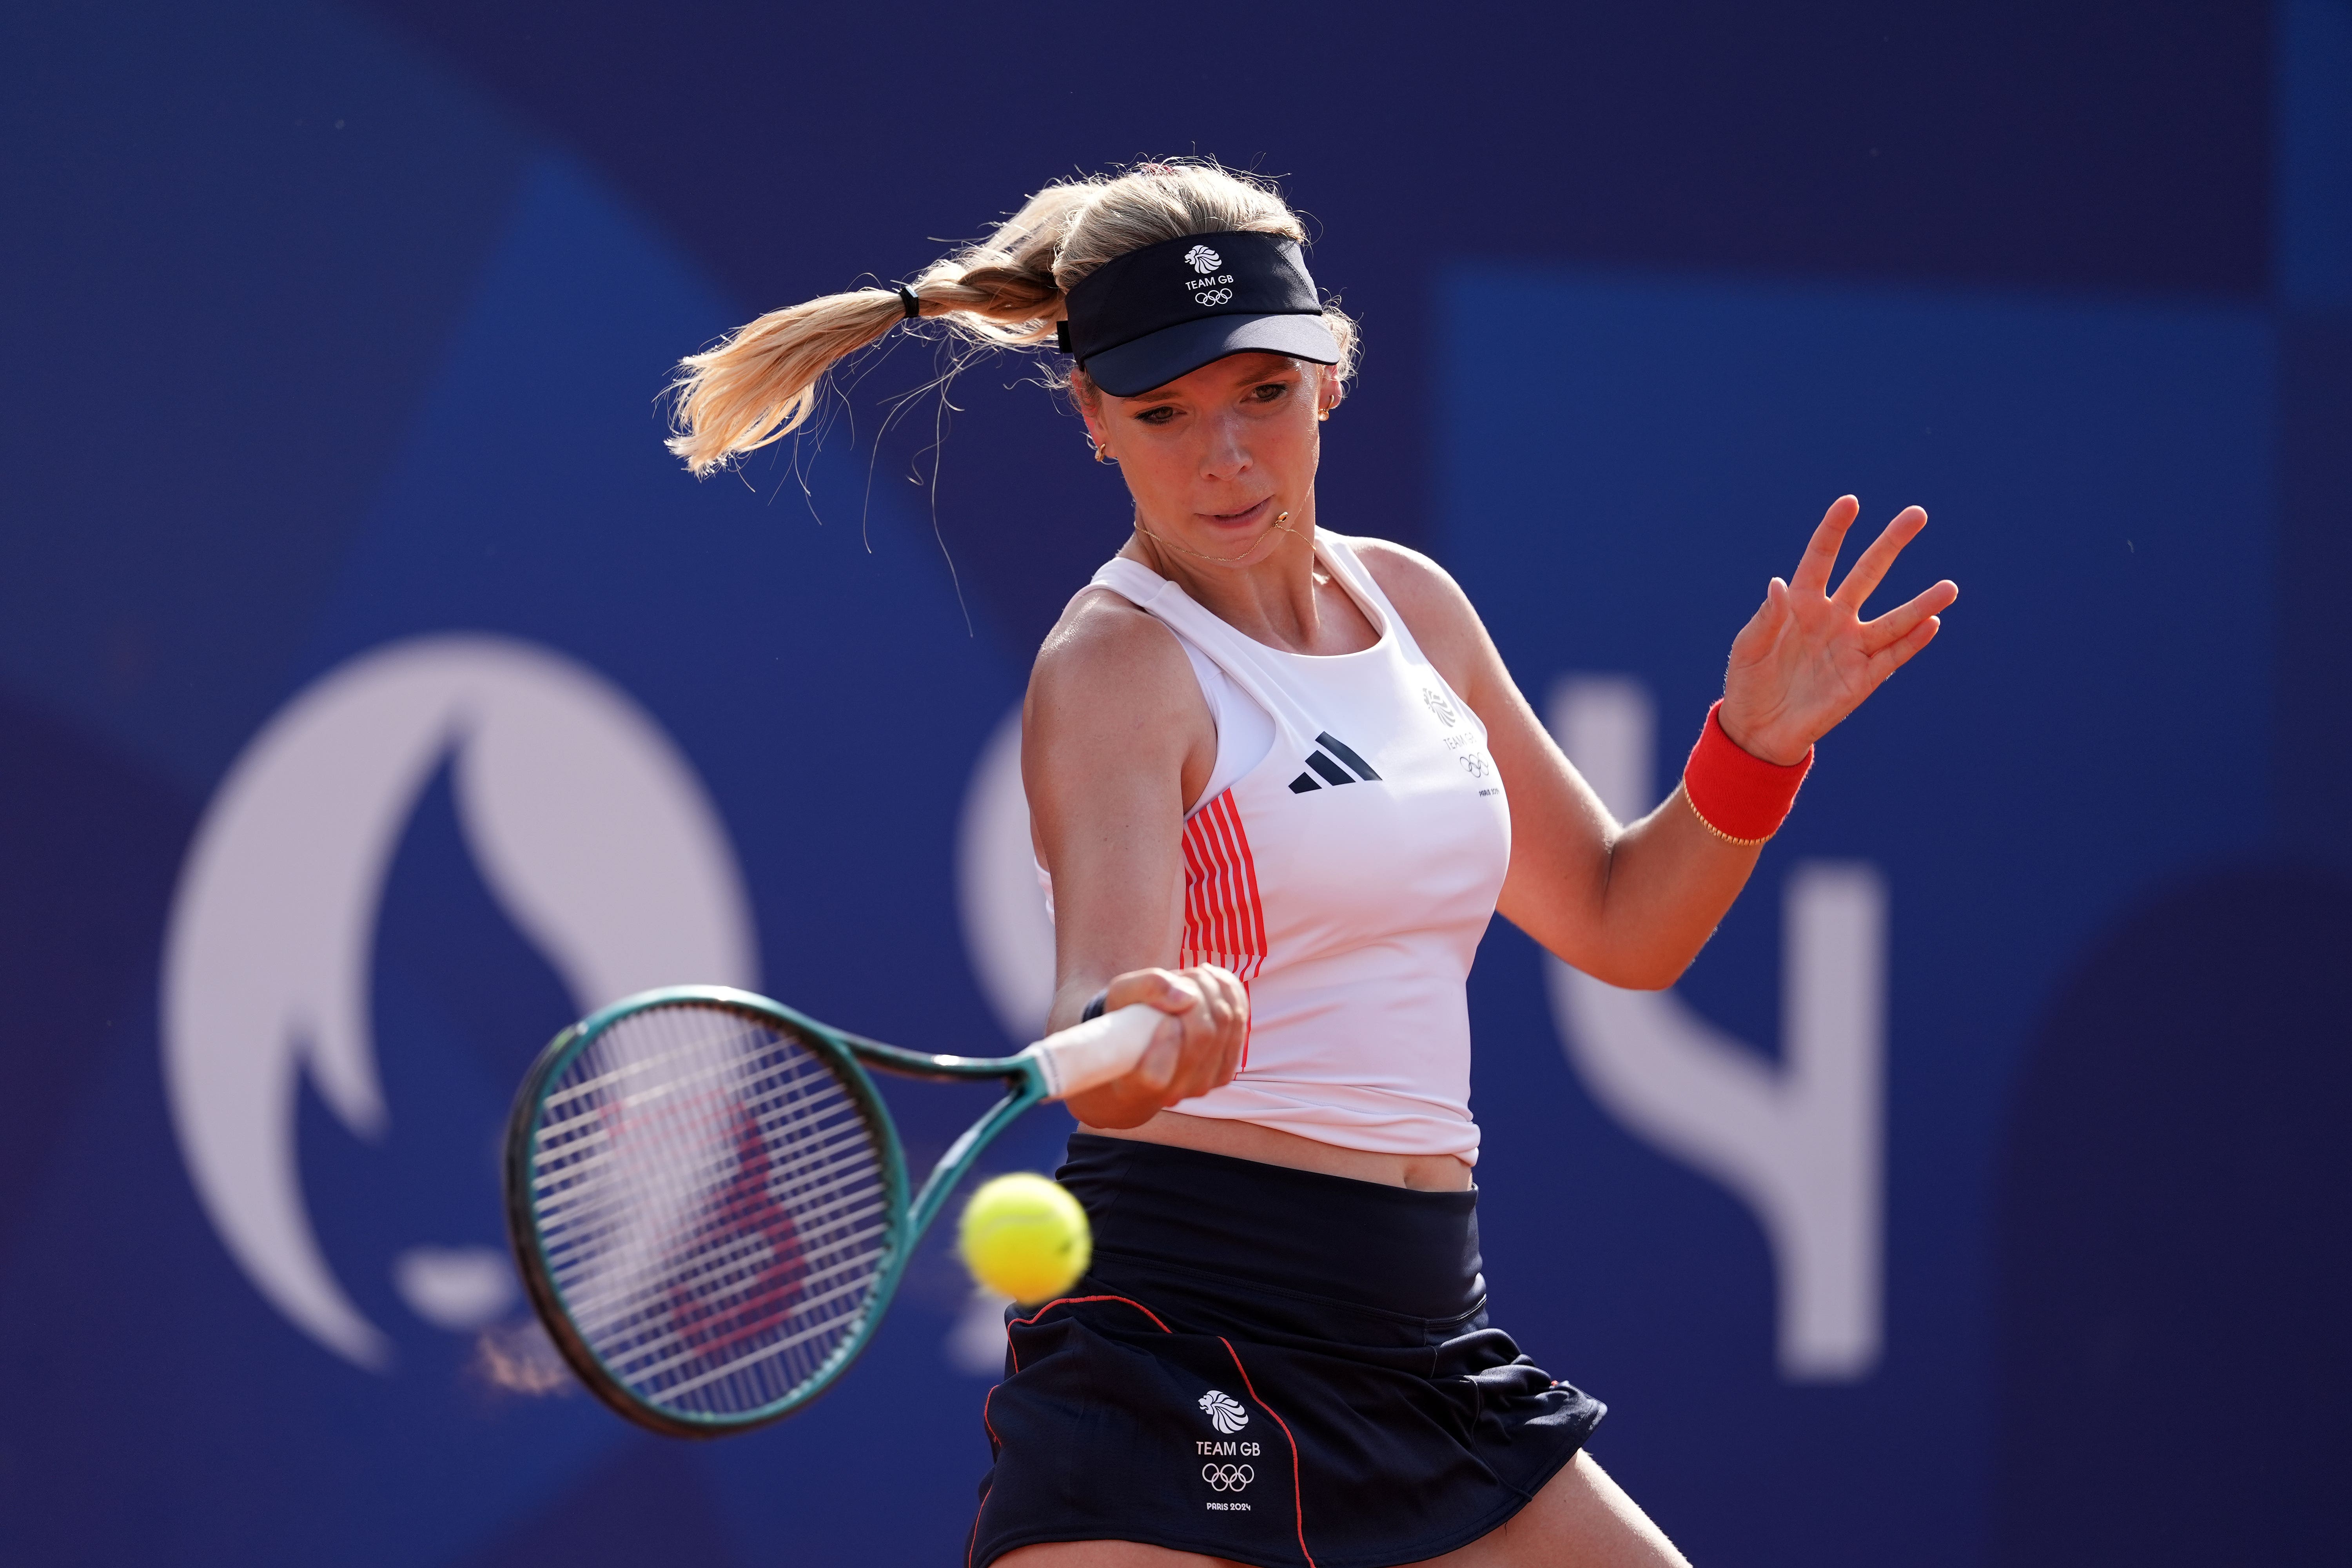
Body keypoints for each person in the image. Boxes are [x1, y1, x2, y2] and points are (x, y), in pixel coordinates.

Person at [668, 160, 1956, 1568]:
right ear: (1094, 420)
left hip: (1424, 1337)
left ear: (1329, 376)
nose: (1223, 457)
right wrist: (1144, 1030)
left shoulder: (1413, 605)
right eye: (1163, 414)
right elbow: (1094, 1005)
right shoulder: (1117, 667)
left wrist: (1749, 749)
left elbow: (1621, 923)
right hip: (1181, 1343)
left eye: (1262, 396)